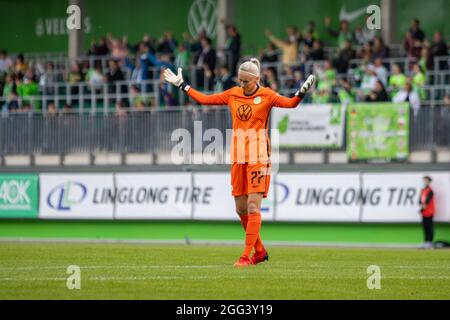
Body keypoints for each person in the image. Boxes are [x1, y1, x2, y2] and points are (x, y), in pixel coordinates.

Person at [163, 58, 315, 267]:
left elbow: (290, 104)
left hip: (258, 156)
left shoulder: (267, 95)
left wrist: (301, 93)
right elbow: (206, 100)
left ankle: (245, 256)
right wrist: (183, 85)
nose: (241, 85)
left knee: (253, 206)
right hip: (238, 156)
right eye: (240, 80)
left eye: (245, 81)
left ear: (256, 79)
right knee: (241, 209)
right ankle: (260, 251)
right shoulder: (233, 93)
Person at [419, 176, 435, 249]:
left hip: (429, 212)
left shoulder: (430, 190)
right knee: (425, 227)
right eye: (424, 180)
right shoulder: (422, 190)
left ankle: (430, 242)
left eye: (426, 180)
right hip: (424, 212)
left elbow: (427, 202)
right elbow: (420, 200)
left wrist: (422, 208)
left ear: (429, 181)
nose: (424, 182)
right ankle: (425, 241)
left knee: (429, 228)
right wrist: (421, 209)